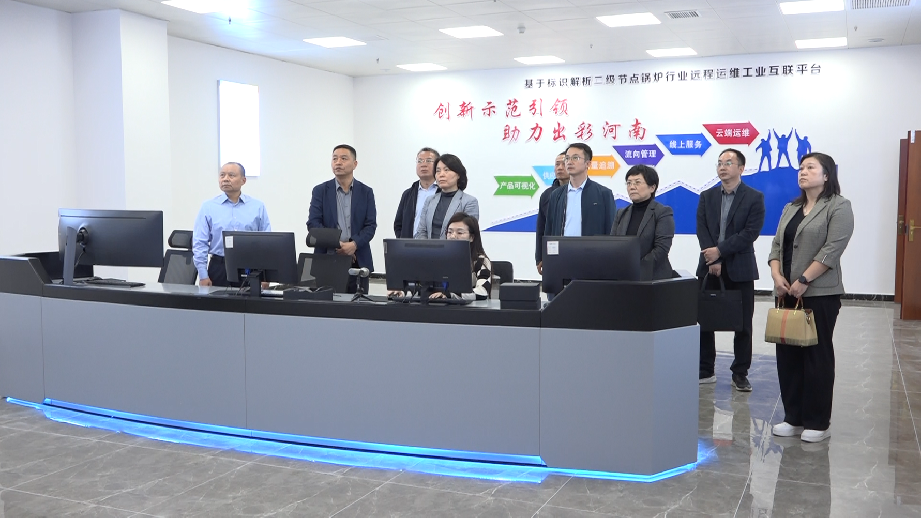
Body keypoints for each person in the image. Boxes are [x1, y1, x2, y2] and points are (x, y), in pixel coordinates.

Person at [768, 152, 854, 443]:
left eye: (810, 167)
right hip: (786, 292)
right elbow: (777, 245)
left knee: (816, 356)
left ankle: (817, 422)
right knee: (788, 356)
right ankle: (793, 418)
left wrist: (804, 280)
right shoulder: (791, 207)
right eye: (801, 168)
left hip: (819, 293)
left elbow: (832, 249)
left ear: (826, 175)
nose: (802, 172)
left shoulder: (839, 206)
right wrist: (777, 276)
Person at [697, 148, 765, 392]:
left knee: (743, 324)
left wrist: (720, 252)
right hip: (708, 266)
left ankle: (740, 372)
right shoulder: (707, 196)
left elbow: (750, 233)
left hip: (740, 268)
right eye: (719, 163)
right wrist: (712, 258)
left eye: (728, 162)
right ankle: (705, 369)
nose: (722, 167)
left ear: (741, 168)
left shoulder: (754, 197)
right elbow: (702, 228)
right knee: (704, 320)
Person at [308, 144, 377, 294]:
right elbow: (313, 224)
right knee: (327, 305)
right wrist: (337, 244)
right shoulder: (320, 191)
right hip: (327, 259)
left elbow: (370, 226)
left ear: (355, 164)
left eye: (343, 158)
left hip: (358, 260)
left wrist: (354, 244)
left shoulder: (366, 192)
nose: (338, 162)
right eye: (335, 158)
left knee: (358, 306)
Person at [192, 162, 271, 287]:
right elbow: (199, 243)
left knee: (249, 300)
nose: (225, 179)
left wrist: (266, 275)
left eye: (231, 175)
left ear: (243, 180)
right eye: (222, 175)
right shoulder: (208, 207)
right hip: (219, 267)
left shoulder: (257, 207)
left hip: (249, 267)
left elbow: (266, 243)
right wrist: (203, 275)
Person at [610, 164, 674, 280]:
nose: (632, 187)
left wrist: (637, 268)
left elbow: (661, 249)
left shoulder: (662, 212)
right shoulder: (621, 213)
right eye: (629, 183)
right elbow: (612, 244)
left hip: (653, 278)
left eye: (637, 182)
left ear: (652, 187)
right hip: (623, 277)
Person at [543, 143, 616, 239]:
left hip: (592, 248)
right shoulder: (556, 195)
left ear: (588, 163)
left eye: (575, 158)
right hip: (562, 248)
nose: (569, 162)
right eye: (567, 158)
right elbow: (549, 231)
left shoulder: (604, 194)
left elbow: (611, 231)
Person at [430, 212, 492, 301]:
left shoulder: (481, 261)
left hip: (470, 308)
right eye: (449, 232)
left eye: (459, 232)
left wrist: (451, 295)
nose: (453, 236)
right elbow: (423, 286)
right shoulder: (438, 259)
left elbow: (482, 292)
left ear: (471, 237)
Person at [415, 154, 478, 239]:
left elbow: (468, 234)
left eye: (446, 170)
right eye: (438, 171)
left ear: (458, 174)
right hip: (428, 247)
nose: (441, 174)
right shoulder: (430, 200)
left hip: (455, 247)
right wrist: (427, 246)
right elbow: (421, 231)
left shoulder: (469, 201)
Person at [394, 147, 440, 238]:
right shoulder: (408, 194)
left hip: (436, 244)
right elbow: (398, 224)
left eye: (428, 161)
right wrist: (403, 240)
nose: (423, 164)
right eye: (420, 161)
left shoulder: (443, 192)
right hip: (410, 245)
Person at [535, 151, 569, 275]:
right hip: (553, 254)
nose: (560, 168)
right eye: (557, 164)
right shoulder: (547, 195)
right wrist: (539, 257)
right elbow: (541, 229)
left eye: (563, 164)